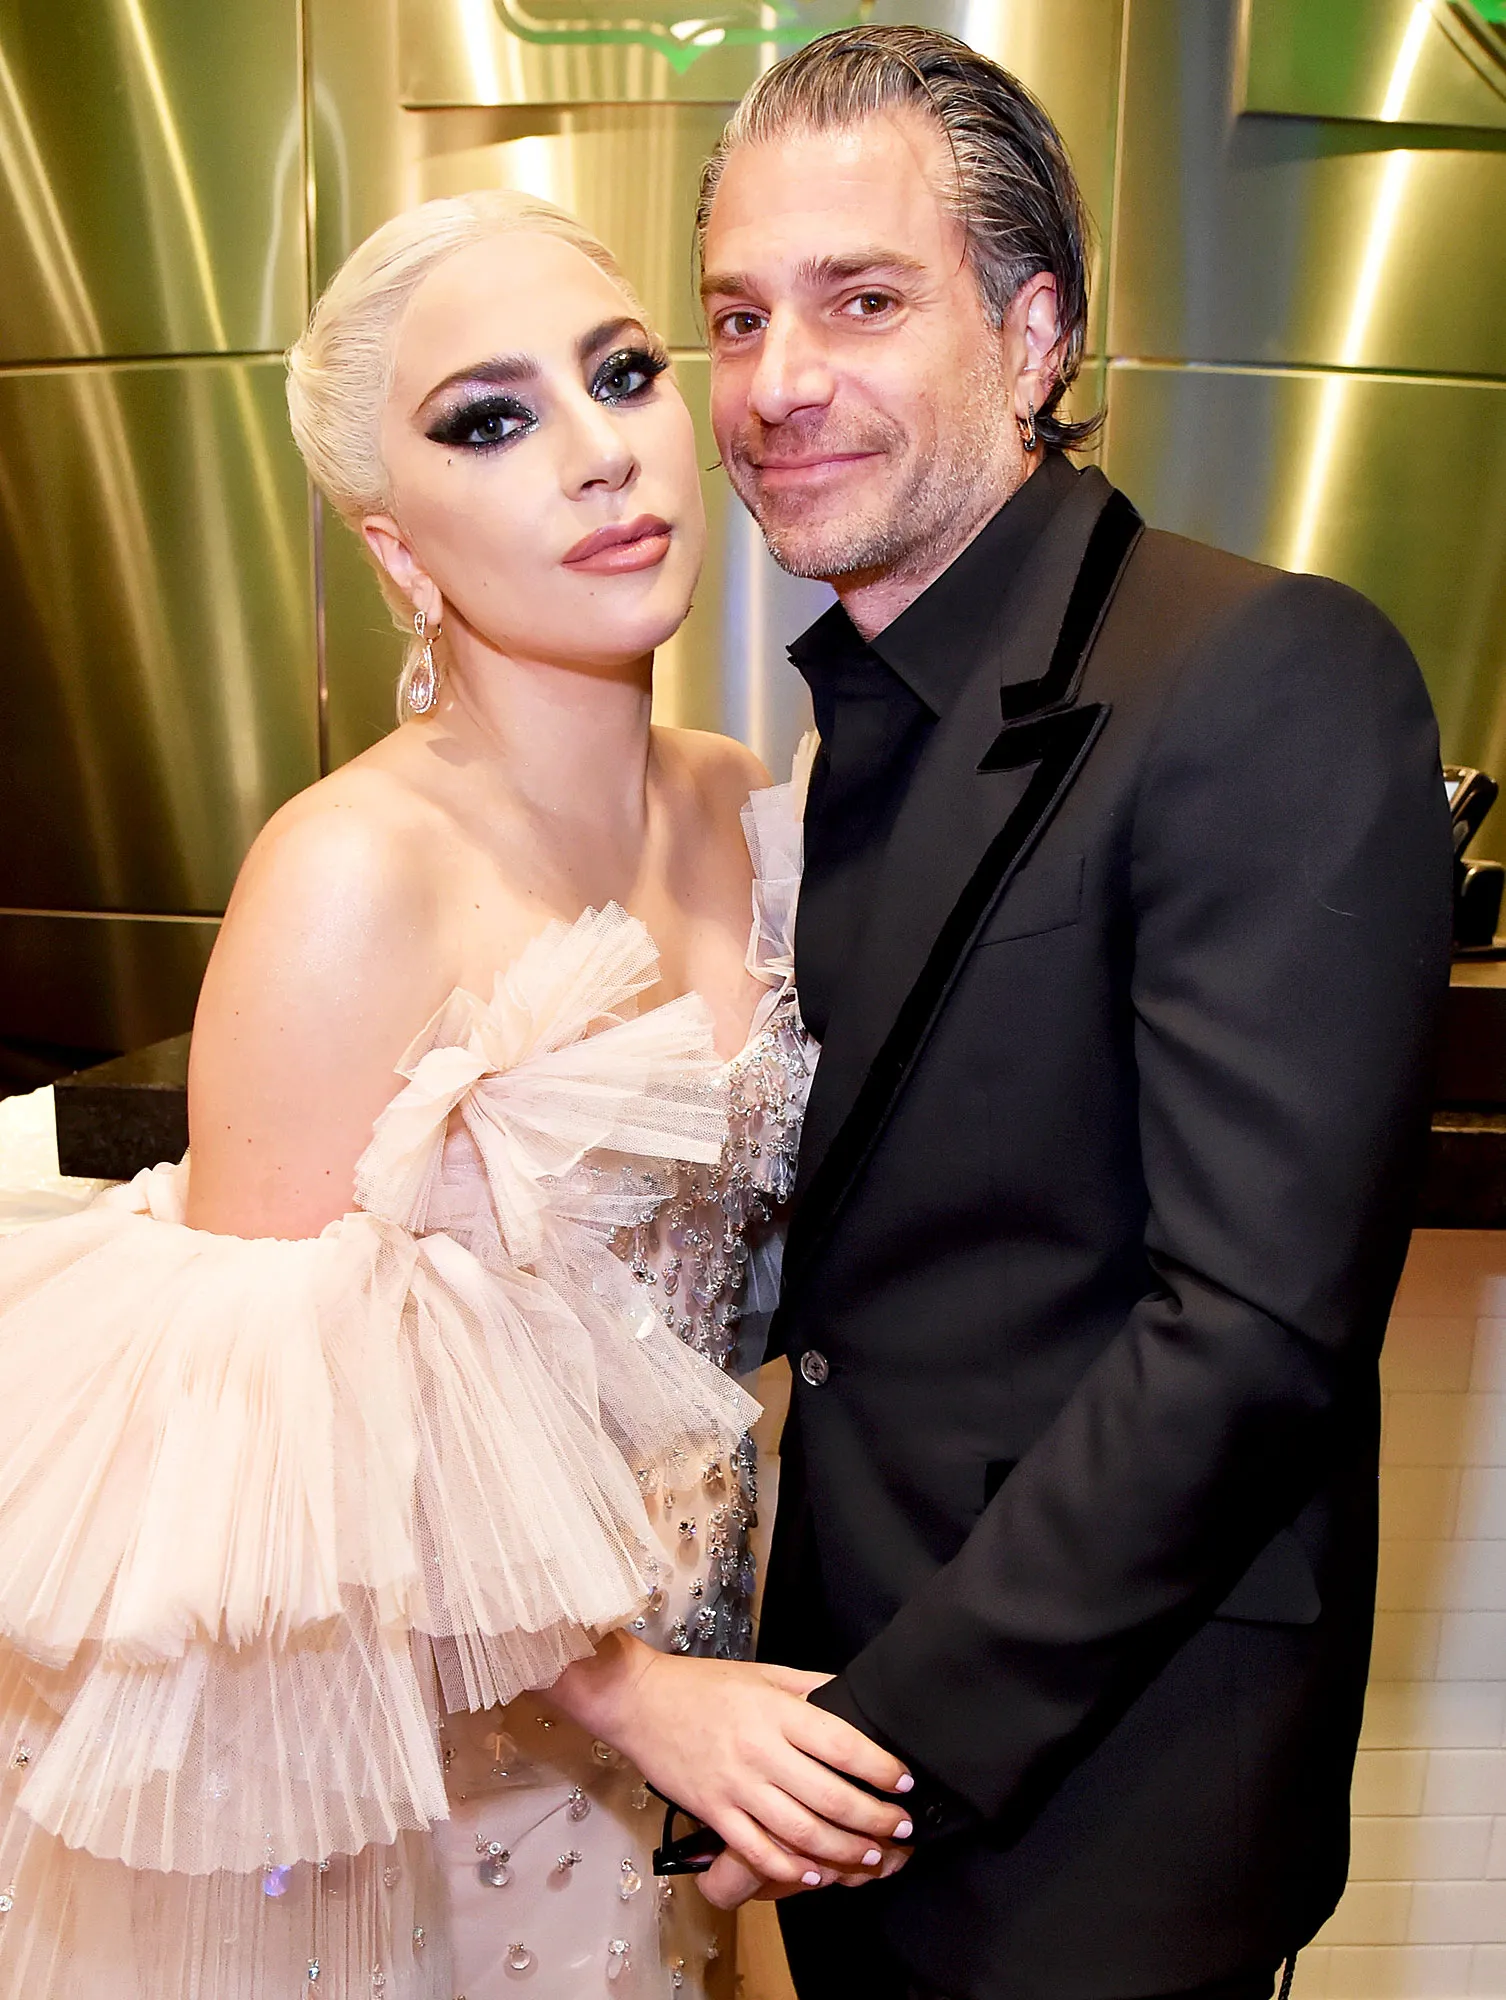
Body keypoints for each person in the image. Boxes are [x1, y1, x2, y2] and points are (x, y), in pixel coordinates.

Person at [0, 189, 911, 2000]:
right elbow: (254, 1468)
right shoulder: (350, 874)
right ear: (391, 541)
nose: (595, 453)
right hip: (391, 1789)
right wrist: (629, 1692)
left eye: (623, 372)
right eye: (489, 419)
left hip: (665, 1773)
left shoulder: (746, 808)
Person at [692, 27, 1456, 2000]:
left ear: (1036, 336)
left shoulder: (1263, 670)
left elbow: (1252, 1334)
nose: (778, 384)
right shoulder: (845, 734)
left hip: (1100, 1801)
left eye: (862, 301)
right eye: (738, 316)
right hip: (859, 1766)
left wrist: (877, 1743)